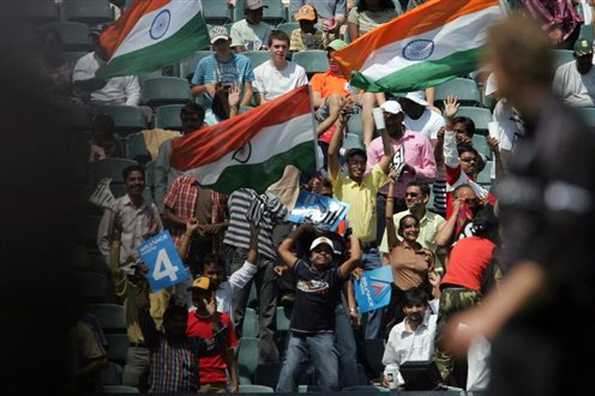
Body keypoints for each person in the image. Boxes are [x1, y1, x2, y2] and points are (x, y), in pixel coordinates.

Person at [441, 14, 595, 396]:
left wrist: (489, 315)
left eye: (491, 60)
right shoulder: (530, 134)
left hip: (557, 335)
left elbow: (557, 249)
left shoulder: (565, 136)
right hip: (522, 330)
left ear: (513, 65)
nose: (485, 72)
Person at [328, 98, 392, 340]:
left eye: (361, 162)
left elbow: (388, 153)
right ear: (348, 166)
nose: (357, 165)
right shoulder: (339, 182)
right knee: (348, 304)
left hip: (372, 252)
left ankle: (370, 346)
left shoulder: (371, 180)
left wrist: (381, 126)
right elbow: (332, 153)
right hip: (346, 250)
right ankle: (353, 349)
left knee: (378, 300)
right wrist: (342, 122)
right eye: (353, 162)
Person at [276, 224, 362, 392]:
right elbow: (283, 249)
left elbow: (355, 258)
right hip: (298, 335)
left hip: (323, 336)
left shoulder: (334, 275)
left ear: (332, 257)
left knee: (330, 383)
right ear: (310, 255)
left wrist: (353, 235)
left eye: (327, 251)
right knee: (286, 381)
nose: (322, 253)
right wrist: (300, 230)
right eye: (318, 250)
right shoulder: (301, 268)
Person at [433, 207, 498, 387]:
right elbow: (495, 283)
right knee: (482, 342)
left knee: (443, 344)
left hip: (447, 293)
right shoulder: (492, 248)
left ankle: (443, 381)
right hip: (470, 294)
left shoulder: (461, 243)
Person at [223, 188, 288, 364]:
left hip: (266, 255)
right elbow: (230, 207)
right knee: (235, 312)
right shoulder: (235, 191)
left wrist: (266, 198)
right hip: (241, 251)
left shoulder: (268, 196)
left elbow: (283, 215)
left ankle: (267, 365)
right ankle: (230, 366)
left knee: (268, 314)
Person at [366, 100, 437, 245]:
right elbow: (369, 178)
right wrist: (384, 171)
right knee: (384, 243)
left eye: (391, 117)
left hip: (411, 201)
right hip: (384, 200)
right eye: (384, 118)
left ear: (401, 117)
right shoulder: (375, 145)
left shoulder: (419, 140)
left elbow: (432, 174)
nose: (388, 122)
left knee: (414, 242)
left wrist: (413, 170)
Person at [138, 298, 227, 393]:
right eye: (175, 321)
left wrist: (213, 317)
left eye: (182, 321)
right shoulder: (156, 341)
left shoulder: (194, 344)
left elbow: (218, 345)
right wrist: (143, 301)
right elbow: (145, 320)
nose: (179, 324)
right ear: (166, 323)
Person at [382, 175, 434, 334]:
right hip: (398, 301)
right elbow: (389, 217)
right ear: (401, 231)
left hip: (419, 303)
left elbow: (431, 281)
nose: (412, 230)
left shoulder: (426, 253)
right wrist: (391, 186)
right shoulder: (395, 247)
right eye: (408, 227)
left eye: (415, 227)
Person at [441, 97, 497, 219]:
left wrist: (496, 152)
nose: (471, 163)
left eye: (473, 160)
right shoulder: (455, 176)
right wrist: (449, 121)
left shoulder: (478, 189)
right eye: (466, 160)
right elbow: (450, 153)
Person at [97, 165, 162, 268]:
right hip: (123, 269)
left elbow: (160, 237)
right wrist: (113, 266)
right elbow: (103, 239)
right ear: (125, 184)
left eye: (140, 179)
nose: (137, 182)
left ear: (144, 183)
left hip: (147, 269)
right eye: (132, 179)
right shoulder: (115, 206)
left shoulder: (151, 208)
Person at [187, 276, 239, 393]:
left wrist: (235, 382)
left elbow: (229, 352)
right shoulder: (187, 320)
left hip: (218, 382)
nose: (195, 296)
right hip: (194, 381)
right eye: (194, 292)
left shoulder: (224, 320)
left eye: (200, 292)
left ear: (210, 295)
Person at [191, 25, 254, 121]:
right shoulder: (204, 63)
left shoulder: (244, 61)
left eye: (223, 41)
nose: (220, 46)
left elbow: (248, 91)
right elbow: (193, 91)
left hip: (238, 108)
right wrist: (205, 87)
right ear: (212, 46)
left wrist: (238, 110)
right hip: (212, 111)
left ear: (230, 41)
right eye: (217, 43)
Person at [199, 225, 259, 321]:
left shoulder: (228, 286)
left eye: (218, 273)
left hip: (225, 334)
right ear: (202, 273)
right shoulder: (194, 291)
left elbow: (249, 266)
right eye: (210, 273)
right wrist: (188, 233)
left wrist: (254, 233)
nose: (215, 277)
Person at [154, 102, 206, 211]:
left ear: (201, 122)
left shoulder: (207, 148)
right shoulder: (169, 146)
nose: (189, 123)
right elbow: (160, 180)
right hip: (174, 206)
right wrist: (162, 208)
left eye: (193, 120)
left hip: (200, 205)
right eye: (185, 120)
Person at [72, 25, 141, 107]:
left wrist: (128, 110)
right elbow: (80, 87)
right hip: (94, 107)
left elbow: (134, 92)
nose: (98, 43)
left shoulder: (125, 62)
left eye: (102, 40)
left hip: (120, 107)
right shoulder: (84, 62)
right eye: (96, 40)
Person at [382, 288, 437, 388]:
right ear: (404, 309)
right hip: (405, 386)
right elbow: (390, 363)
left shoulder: (434, 323)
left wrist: (436, 287)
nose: (414, 310)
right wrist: (390, 381)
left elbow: (446, 313)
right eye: (410, 307)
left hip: (432, 385)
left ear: (425, 307)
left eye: (418, 306)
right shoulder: (396, 331)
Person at [379, 181, 445, 264]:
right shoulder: (396, 220)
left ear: (425, 198)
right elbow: (387, 254)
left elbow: (444, 253)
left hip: (430, 273)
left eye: (413, 195)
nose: (408, 198)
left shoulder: (438, 221)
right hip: (403, 274)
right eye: (406, 195)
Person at [253, 30, 308, 104]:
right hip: (269, 110)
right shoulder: (258, 72)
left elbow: (302, 99)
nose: (281, 50)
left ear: (288, 49)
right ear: (269, 48)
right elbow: (261, 101)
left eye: (284, 47)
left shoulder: (299, 71)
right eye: (276, 46)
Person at [553, 37, 595, 106]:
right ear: (575, 56)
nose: (586, 60)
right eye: (582, 57)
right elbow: (555, 101)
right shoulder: (562, 71)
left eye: (588, 56)